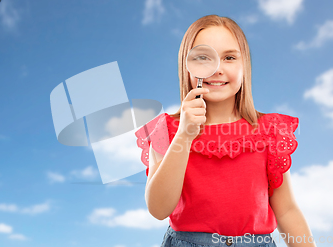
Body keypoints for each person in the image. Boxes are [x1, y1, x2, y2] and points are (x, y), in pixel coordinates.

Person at [135, 15, 316, 247]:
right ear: (186, 66)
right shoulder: (164, 130)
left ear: (245, 66)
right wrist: (184, 135)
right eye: (203, 58)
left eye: (229, 57)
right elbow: (159, 209)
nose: (217, 69)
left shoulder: (268, 131)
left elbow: (287, 210)